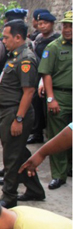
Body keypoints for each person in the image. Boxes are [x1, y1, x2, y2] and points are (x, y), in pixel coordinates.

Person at [0, 19, 45, 208]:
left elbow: (29, 92)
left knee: (12, 157)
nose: (4, 41)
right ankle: (35, 190)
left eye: (7, 37)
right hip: (8, 111)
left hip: (15, 112)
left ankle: (8, 196)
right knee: (19, 153)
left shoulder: (25, 58)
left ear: (18, 37)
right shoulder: (14, 55)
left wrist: (19, 119)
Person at [0, 8, 28, 186]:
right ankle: (27, 182)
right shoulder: (20, 48)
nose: (4, 38)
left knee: (12, 146)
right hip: (11, 102)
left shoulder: (12, 50)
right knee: (15, 147)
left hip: (11, 106)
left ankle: (11, 183)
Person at [38, 10, 72, 190]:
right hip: (60, 96)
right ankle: (58, 175)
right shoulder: (53, 47)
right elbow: (46, 73)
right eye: (65, 25)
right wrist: (51, 98)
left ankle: (69, 167)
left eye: (71, 26)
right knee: (58, 136)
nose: (67, 29)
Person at [27, 11, 61, 145]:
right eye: (40, 23)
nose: (42, 26)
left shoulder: (56, 40)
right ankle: (37, 133)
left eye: (45, 23)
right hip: (37, 77)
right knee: (37, 106)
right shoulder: (38, 39)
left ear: (52, 24)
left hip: (50, 78)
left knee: (48, 107)